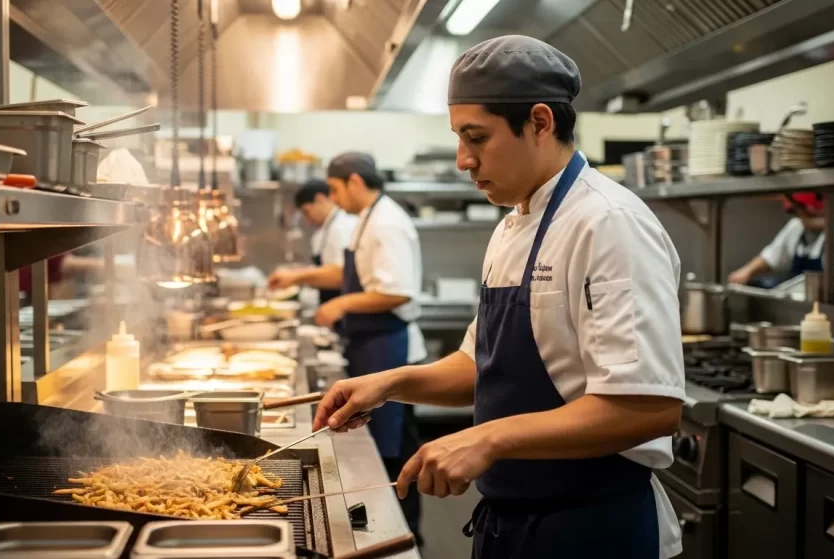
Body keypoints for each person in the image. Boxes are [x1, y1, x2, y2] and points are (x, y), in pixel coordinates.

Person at [311, 36, 685, 559]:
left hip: (591, 530)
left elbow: (648, 408)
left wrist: (487, 438)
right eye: (459, 138)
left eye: (477, 138)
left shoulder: (608, 224)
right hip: (511, 524)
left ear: (539, 122)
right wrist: (389, 383)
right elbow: (479, 362)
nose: (464, 160)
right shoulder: (513, 225)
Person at [312, 152, 426, 541]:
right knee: (381, 449)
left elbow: (396, 292)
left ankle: (406, 536)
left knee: (394, 452)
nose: (333, 197)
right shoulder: (367, 218)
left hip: (388, 347)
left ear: (355, 182)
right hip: (370, 346)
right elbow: (354, 274)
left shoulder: (387, 222)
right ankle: (387, 530)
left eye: (334, 188)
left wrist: (341, 303)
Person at [727, 192, 834, 285]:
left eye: (816, 211)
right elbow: (771, 257)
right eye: (801, 212)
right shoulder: (795, 227)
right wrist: (745, 272)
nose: (809, 216)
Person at [267, 180, 358, 305]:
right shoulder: (324, 230)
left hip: (343, 306)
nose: (308, 220)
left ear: (320, 199)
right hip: (330, 304)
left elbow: (342, 273)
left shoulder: (343, 226)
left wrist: (296, 276)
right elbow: (325, 268)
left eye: (307, 212)